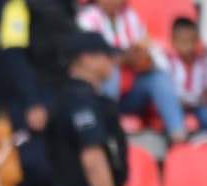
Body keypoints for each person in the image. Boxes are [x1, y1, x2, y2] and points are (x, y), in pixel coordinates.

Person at [0, 0, 77, 186]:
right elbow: (12, 56)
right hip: (28, 99)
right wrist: (31, 102)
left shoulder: (69, 7)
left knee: (53, 176)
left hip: (60, 98)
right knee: (38, 169)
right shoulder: (18, 5)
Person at [46, 31, 127, 186]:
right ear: (85, 59)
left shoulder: (80, 97)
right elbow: (92, 160)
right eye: (105, 55)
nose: (111, 62)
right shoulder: (81, 100)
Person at [76, 0, 187, 146]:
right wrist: (124, 58)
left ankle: (178, 136)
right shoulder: (86, 19)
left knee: (158, 77)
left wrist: (144, 60)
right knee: (110, 72)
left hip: (131, 92)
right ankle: (107, 130)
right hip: (100, 93)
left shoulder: (131, 17)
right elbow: (92, 61)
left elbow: (148, 49)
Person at [166, 17, 207, 140]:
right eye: (182, 42)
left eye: (190, 42)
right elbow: (165, 91)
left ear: (197, 41)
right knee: (172, 117)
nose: (187, 47)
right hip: (177, 104)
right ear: (173, 41)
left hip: (197, 104)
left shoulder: (203, 64)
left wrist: (202, 100)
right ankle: (175, 147)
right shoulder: (168, 63)